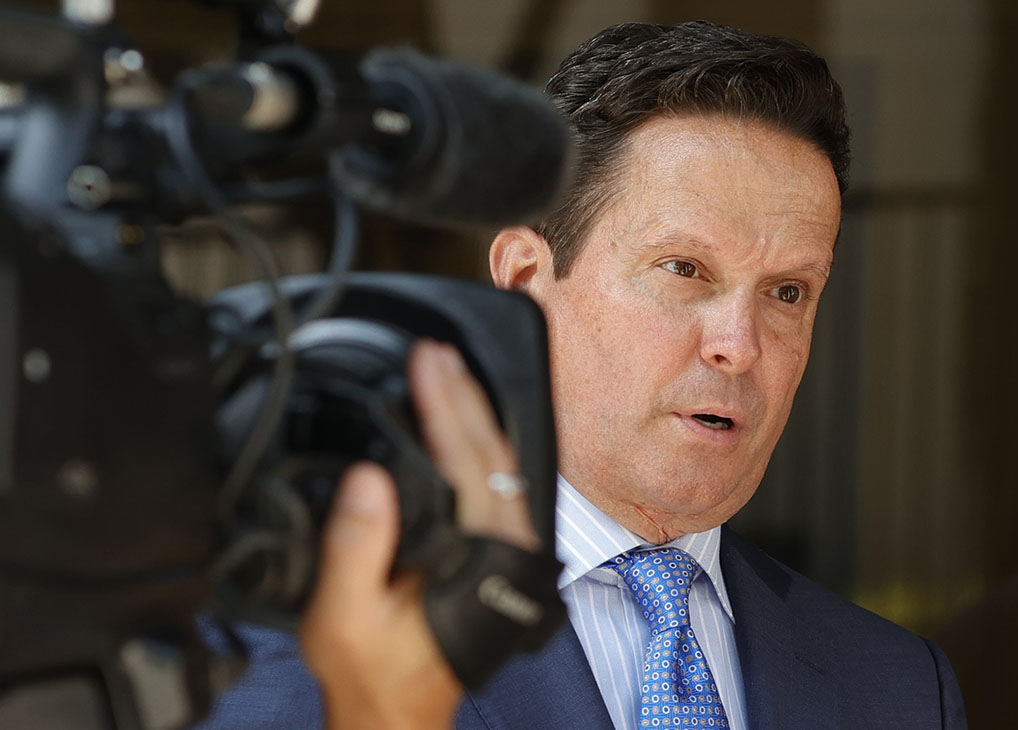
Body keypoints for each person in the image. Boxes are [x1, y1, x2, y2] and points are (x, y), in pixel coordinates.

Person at [202, 19, 968, 730]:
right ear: (524, 281)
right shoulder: (289, 657)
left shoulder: (900, 687)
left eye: (788, 293)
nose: (739, 346)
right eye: (683, 268)